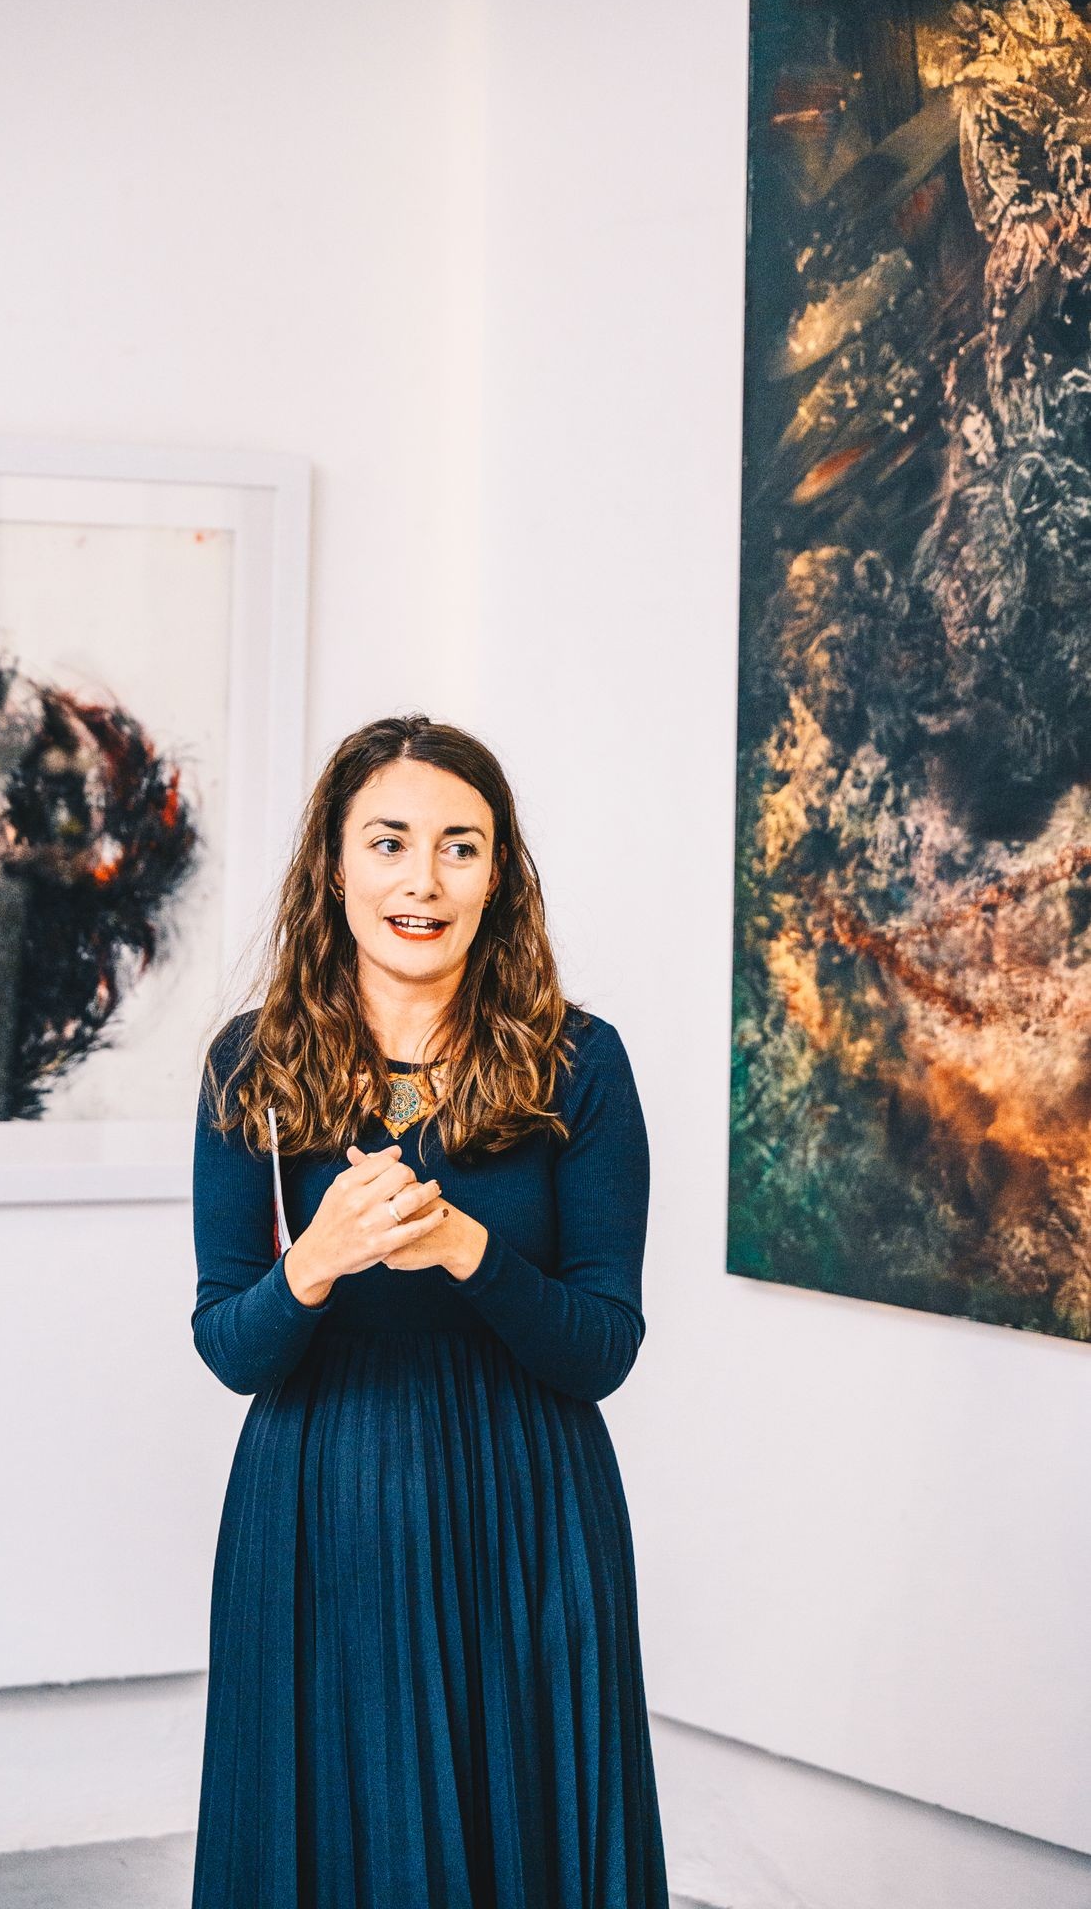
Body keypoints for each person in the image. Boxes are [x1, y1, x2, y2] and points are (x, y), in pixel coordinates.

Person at [190, 713, 670, 1908]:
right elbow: (225, 1344)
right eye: (389, 841)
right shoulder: (249, 1064)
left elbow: (603, 1348)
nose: (422, 879)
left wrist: (469, 1248)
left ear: (497, 873)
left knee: (527, 1828)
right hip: (320, 1502)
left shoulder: (581, 1063)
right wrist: (317, 1262)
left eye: (460, 845)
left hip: (528, 1506)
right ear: (334, 866)